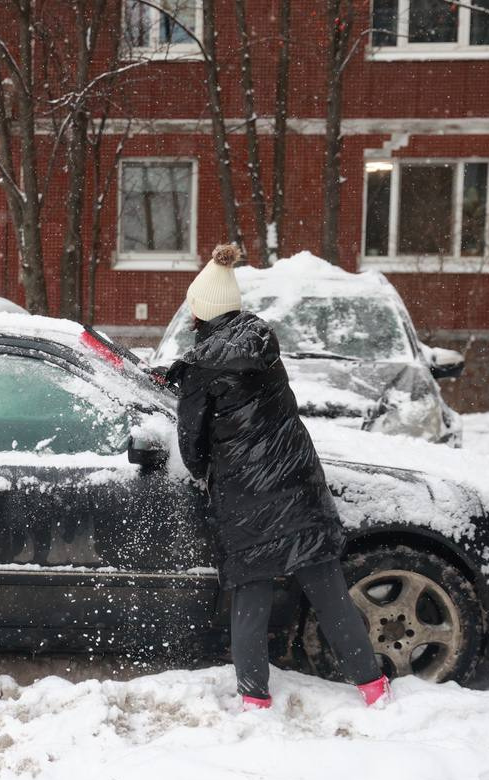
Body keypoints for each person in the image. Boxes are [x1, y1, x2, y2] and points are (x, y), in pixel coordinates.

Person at [166, 244, 390, 711]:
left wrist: (189, 396)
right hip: (298, 488)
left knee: (251, 596)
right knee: (329, 593)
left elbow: (192, 449)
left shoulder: (200, 369)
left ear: (200, 313)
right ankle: (372, 687)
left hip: (245, 501)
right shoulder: (263, 348)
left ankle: (254, 698)